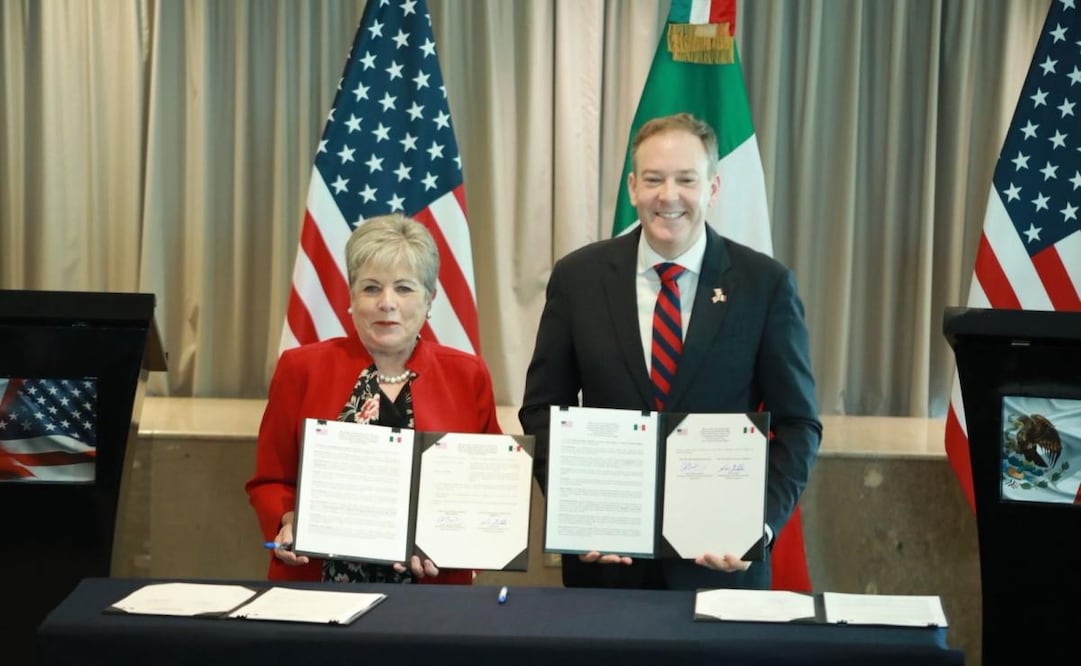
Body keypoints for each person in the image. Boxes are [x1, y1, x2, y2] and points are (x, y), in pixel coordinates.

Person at [519, 112, 821, 591]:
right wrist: (574, 510)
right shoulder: (578, 278)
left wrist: (756, 526)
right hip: (606, 569)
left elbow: (800, 423)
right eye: (654, 180)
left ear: (713, 188)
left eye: (686, 179)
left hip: (720, 569)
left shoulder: (765, 286)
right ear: (633, 187)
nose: (669, 196)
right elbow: (541, 408)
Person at [246, 213, 501, 584]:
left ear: (430, 299)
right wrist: (288, 519)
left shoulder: (467, 375)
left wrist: (454, 541)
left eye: (404, 288)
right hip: (318, 589)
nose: (387, 303)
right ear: (350, 298)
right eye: (370, 288)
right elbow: (270, 481)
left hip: (434, 592)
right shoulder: (300, 368)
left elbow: (488, 486)